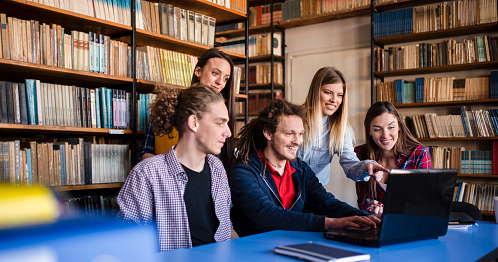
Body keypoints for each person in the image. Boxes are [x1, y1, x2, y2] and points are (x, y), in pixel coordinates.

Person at [229, 98, 381, 236]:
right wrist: (330, 223)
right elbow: (268, 215)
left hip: (292, 247)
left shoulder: (301, 169)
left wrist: (365, 217)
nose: (297, 141)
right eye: (289, 134)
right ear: (268, 134)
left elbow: (326, 203)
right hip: (253, 253)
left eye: (300, 134)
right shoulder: (243, 172)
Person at [117, 85, 238, 251]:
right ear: (194, 123)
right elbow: (128, 243)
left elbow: (226, 229)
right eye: (220, 123)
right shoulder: (147, 173)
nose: (228, 133)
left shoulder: (217, 168)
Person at [138, 48, 237, 170]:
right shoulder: (171, 104)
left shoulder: (223, 112)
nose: (220, 82)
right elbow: (144, 152)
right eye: (215, 73)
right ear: (198, 71)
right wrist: (170, 169)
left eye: (226, 78)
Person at [298, 67, 388, 186]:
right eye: (328, 92)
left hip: (313, 195)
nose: (334, 100)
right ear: (315, 91)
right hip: (283, 192)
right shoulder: (293, 119)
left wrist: (367, 166)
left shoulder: (340, 128)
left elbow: (350, 163)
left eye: (340, 95)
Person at [354, 101, 432, 213]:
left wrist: (387, 210)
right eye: (377, 129)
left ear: (399, 126)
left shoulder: (419, 153)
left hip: (410, 225)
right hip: (376, 224)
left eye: (391, 127)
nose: (385, 135)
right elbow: (363, 201)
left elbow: (425, 203)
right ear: (369, 131)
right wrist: (372, 208)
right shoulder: (360, 153)